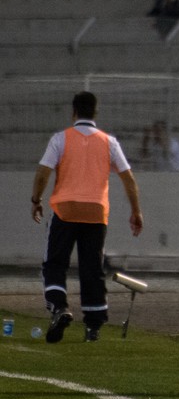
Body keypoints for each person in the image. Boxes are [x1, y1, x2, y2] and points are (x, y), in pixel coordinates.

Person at [31, 91, 144, 343]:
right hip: (95, 213)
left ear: (73, 112)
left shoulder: (60, 139)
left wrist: (36, 200)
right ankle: (93, 326)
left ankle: (59, 307)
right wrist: (135, 210)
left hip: (65, 210)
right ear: (95, 113)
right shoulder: (109, 142)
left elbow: (42, 173)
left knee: (55, 263)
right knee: (92, 269)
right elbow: (128, 179)